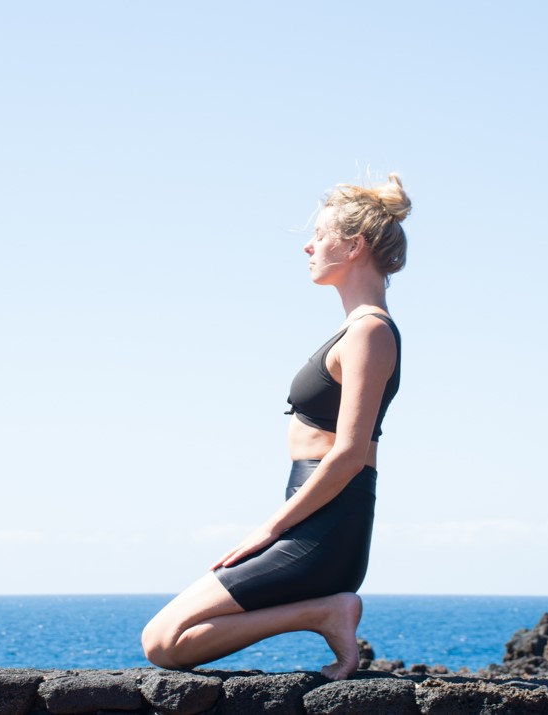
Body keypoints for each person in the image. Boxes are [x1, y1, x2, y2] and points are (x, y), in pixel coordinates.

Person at [142, 173, 411, 680]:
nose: (309, 245)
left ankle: (325, 611)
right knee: (167, 642)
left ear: (353, 246)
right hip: (311, 517)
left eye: (321, 235)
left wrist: (271, 528)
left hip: (326, 530)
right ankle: (323, 611)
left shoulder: (371, 331)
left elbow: (350, 453)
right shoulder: (356, 329)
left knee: (161, 642)